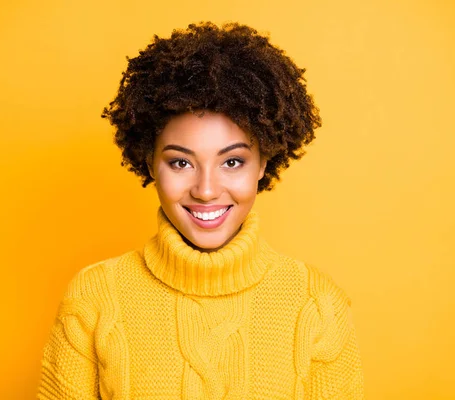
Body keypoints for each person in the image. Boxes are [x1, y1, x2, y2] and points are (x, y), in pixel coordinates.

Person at [38, 21, 364, 399]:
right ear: (149, 162)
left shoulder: (319, 305)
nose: (206, 191)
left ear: (263, 163)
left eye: (232, 162)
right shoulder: (94, 298)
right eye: (181, 163)